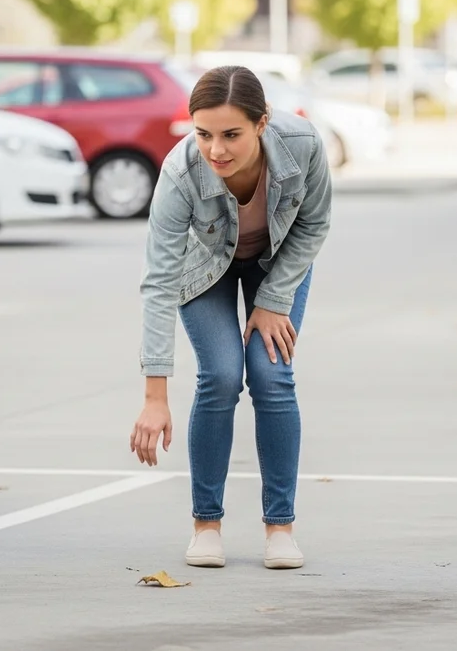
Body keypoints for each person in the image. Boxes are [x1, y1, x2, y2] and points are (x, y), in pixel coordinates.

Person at [130, 65, 332, 569]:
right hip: (206, 269)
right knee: (220, 375)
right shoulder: (180, 173)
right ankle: (206, 526)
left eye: (231, 135)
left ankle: (280, 529)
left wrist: (273, 299)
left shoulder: (303, 144)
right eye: (203, 134)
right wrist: (155, 397)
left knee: (271, 375)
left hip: (279, 266)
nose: (216, 149)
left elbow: (314, 224)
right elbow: (158, 280)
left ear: (262, 123)